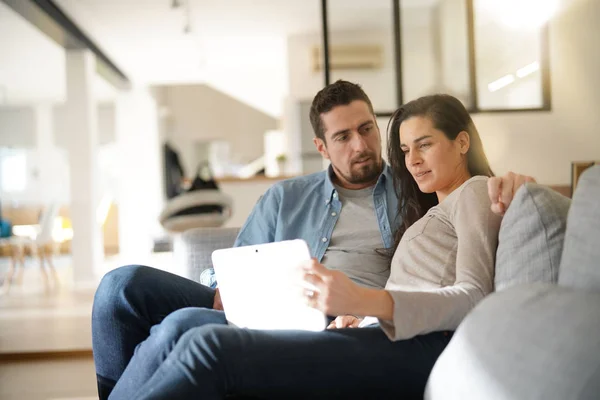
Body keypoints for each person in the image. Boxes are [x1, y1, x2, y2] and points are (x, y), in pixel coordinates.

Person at [93, 81, 533, 399]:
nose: (362, 145)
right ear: (322, 147)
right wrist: (227, 291)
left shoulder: (412, 190)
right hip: (305, 310)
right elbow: (234, 264)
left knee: (184, 328)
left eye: (367, 130)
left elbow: (469, 256)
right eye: (343, 136)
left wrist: (518, 185)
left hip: (358, 319)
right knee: (121, 286)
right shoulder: (287, 196)